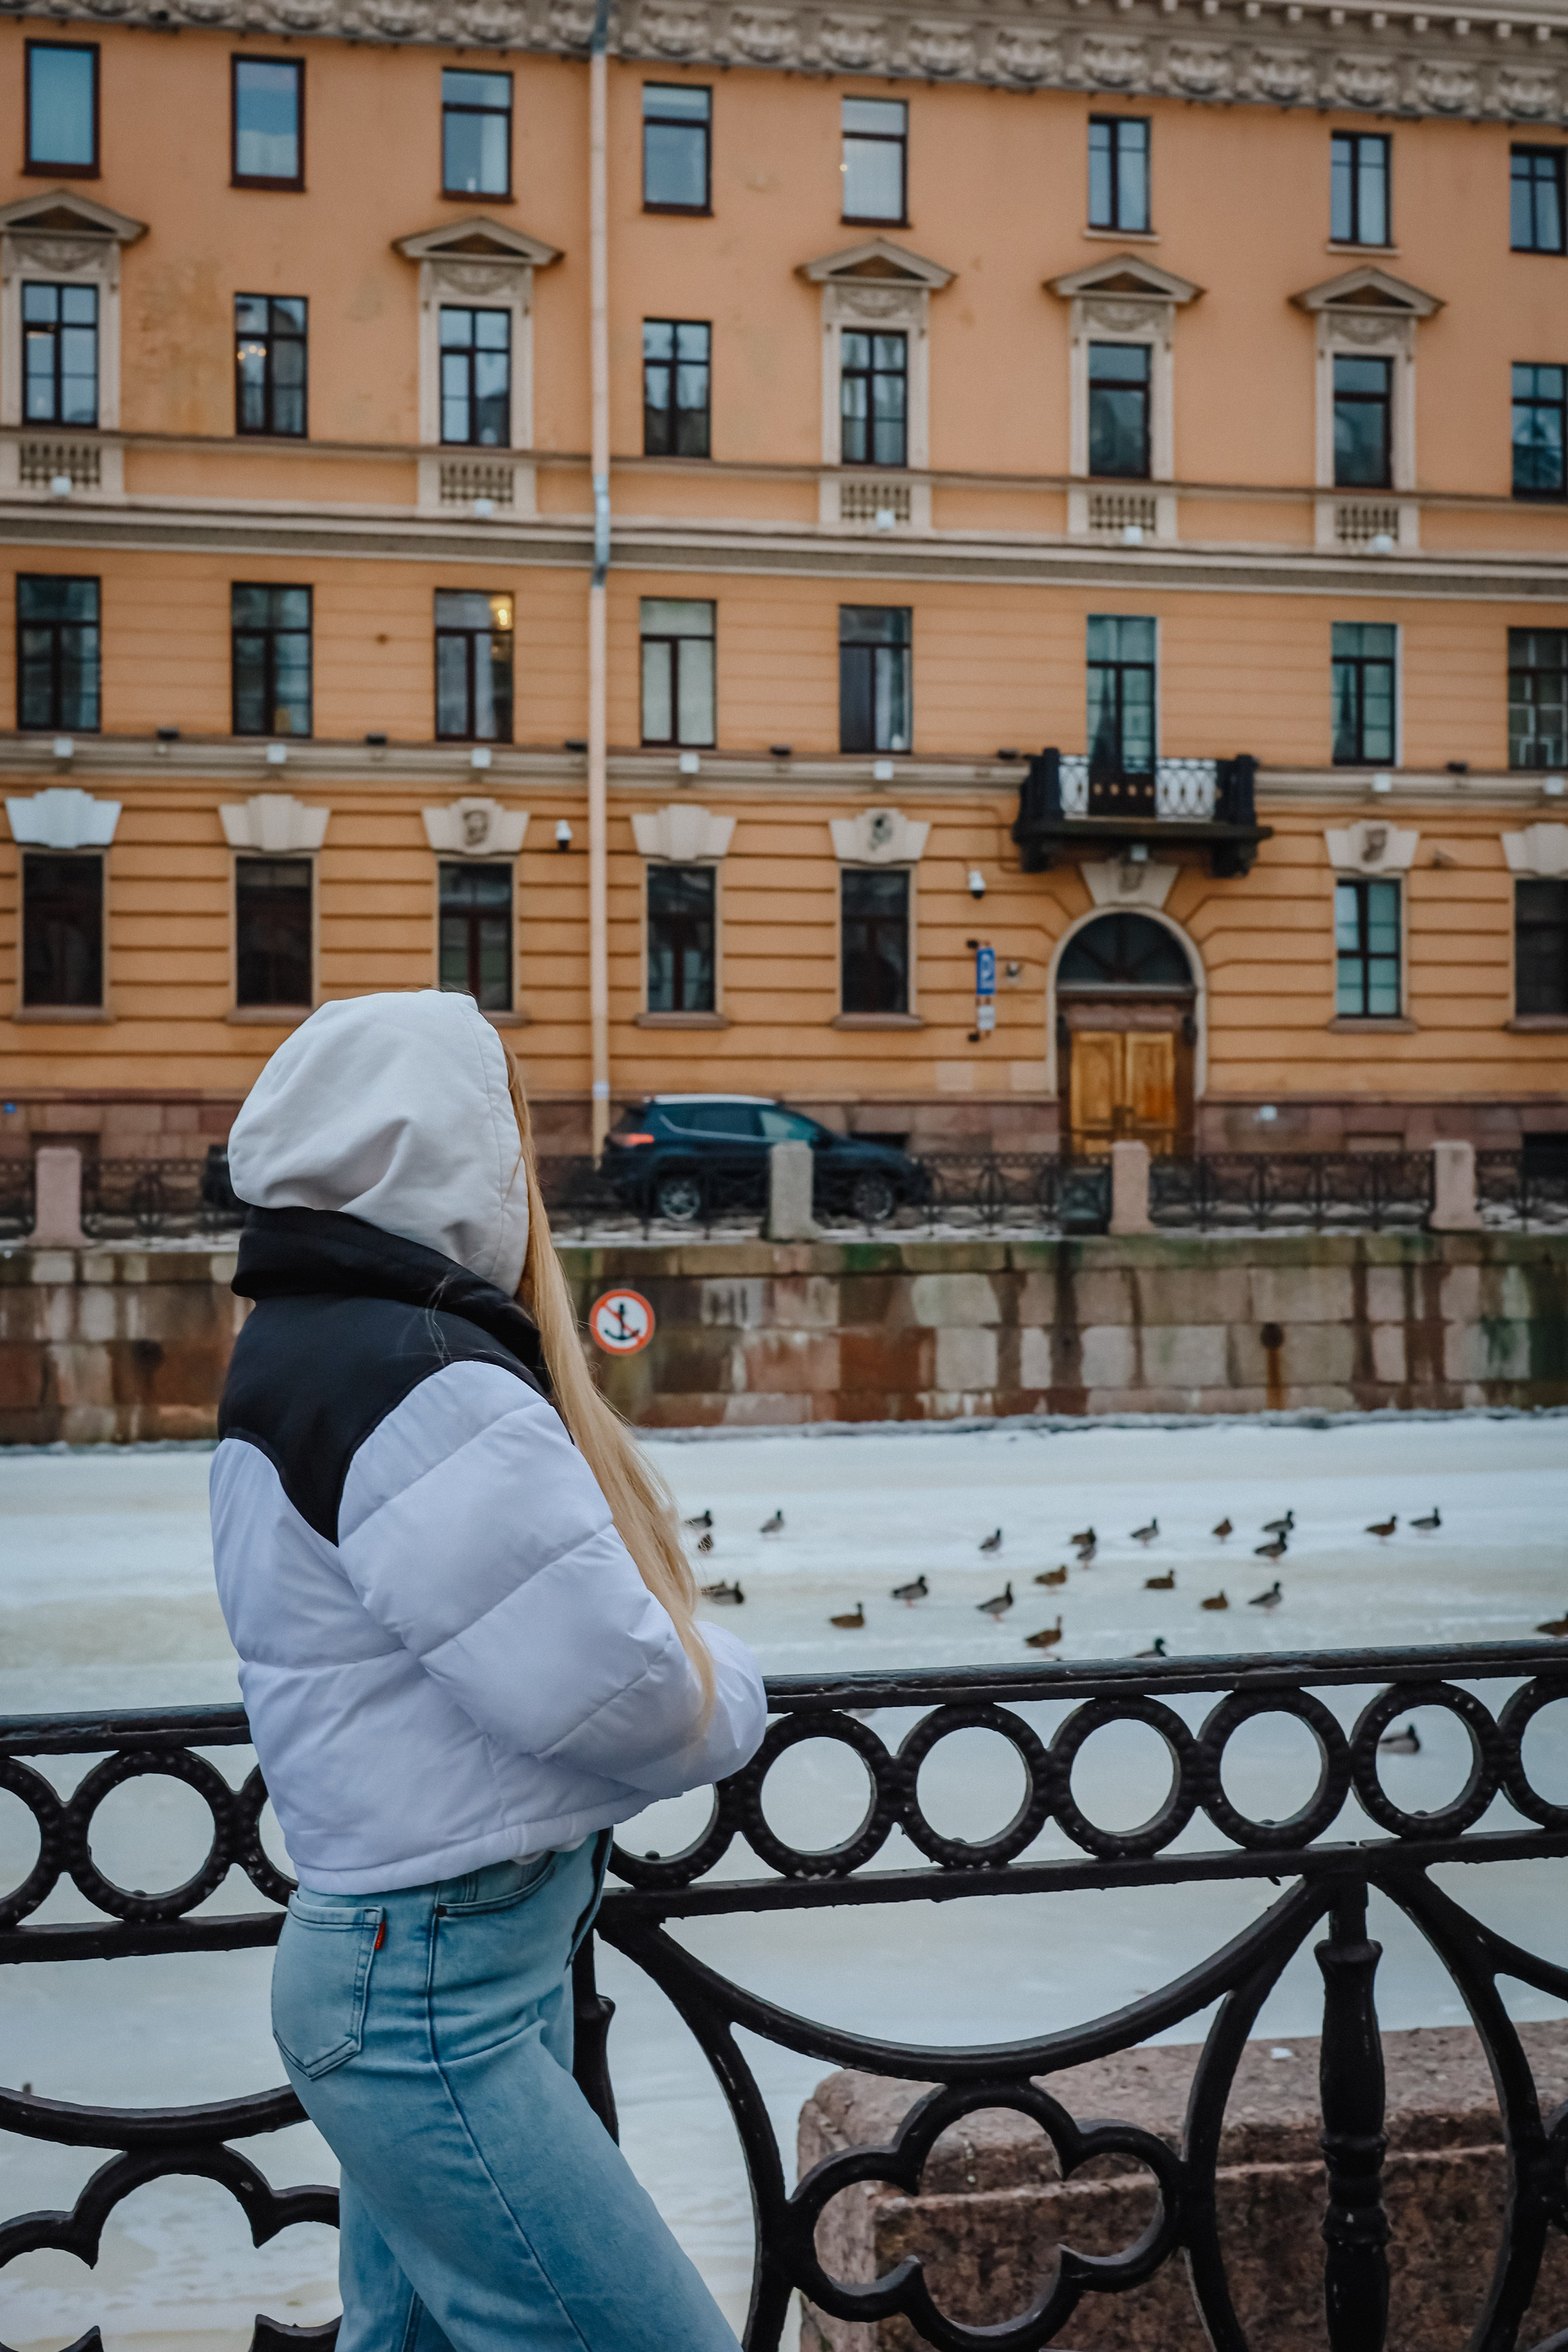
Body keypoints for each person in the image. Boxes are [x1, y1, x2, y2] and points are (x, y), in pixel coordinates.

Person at [209, 990, 766, 2352]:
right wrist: (735, 1676)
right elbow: (626, 1691)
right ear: (457, 1155)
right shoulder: (416, 1375)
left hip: (408, 1965)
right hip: (432, 1992)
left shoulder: (299, 1342)